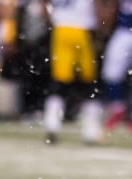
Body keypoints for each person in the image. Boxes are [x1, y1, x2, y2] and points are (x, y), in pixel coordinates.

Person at [43, 0, 106, 141]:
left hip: (61, 29)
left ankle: (51, 122)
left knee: (60, 79)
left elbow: (45, 5)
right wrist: (102, 30)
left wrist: (51, 20)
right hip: (83, 29)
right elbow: (99, 7)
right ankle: (91, 130)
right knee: (89, 81)